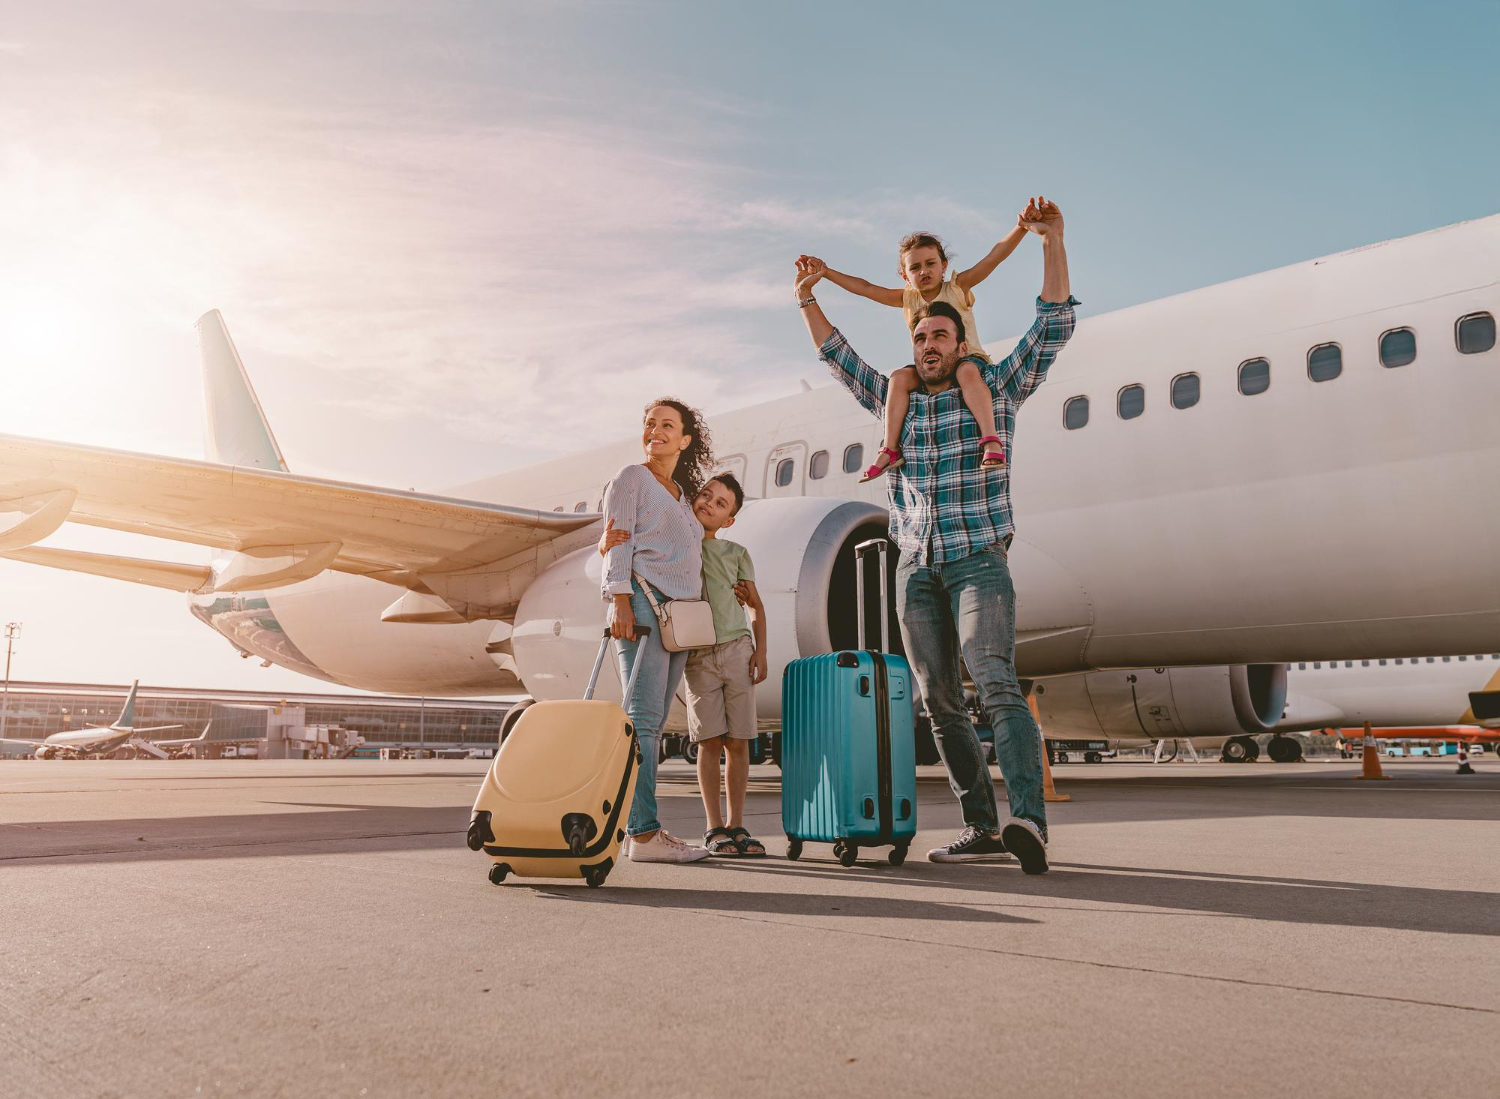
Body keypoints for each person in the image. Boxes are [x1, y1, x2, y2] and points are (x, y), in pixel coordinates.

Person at [793, 196, 1076, 875]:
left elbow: (1053, 326)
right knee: (939, 701)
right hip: (914, 568)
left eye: (940, 338)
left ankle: (1027, 820)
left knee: (994, 680)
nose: (928, 346)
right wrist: (808, 297)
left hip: (978, 560)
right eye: (920, 338)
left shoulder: (995, 390)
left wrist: (1051, 241)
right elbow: (839, 356)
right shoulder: (898, 403)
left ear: (960, 342)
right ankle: (980, 824)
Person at [601, 472, 770, 857]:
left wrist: (760, 651)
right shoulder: (679, 543)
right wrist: (603, 545)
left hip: (737, 649)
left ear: (729, 521)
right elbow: (633, 548)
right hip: (696, 653)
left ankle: (737, 823)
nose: (708, 503)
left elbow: (755, 605)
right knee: (709, 742)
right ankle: (715, 828)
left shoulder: (736, 553)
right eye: (705, 495)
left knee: (738, 742)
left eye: (720, 503)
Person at [798, 224, 1027, 482]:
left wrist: (1021, 228)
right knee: (898, 378)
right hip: (930, 367)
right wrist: (827, 273)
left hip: (967, 360)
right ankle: (890, 449)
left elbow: (993, 257)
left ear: (944, 266)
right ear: (905, 276)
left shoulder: (956, 288)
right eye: (915, 268)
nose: (924, 271)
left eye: (930, 263)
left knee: (966, 371)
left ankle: (991, 440)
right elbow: (866, 288)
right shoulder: (908, 299)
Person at [600, 398, 718, 864]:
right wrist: (619, 599)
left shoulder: (679, 493)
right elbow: (617, 538)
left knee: (652, 722)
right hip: (645, 610)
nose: (657, 431)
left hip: (678, 619)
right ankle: (643, 833)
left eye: (668, 425)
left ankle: (640, 833)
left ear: (685, 440)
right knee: (643, 723)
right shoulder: (632, 477)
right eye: (650, 423)